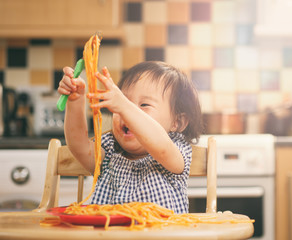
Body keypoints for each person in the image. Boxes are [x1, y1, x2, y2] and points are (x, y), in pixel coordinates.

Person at [58, 61, 202, 213]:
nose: (127, 113)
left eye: (144, 105)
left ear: (177, 122)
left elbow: (162, 147)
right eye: (124, 102)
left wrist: (124, 106)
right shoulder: (109, 154)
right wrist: (75, 100)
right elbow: (78, 144)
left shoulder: (175, 151)